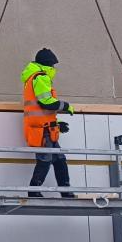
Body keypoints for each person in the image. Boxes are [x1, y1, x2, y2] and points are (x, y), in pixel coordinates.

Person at [21, 48, 76, 198]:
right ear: (48, 64)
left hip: (46, 128)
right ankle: (34, 191)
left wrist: (57, 124)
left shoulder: (34, 78)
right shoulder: (40, 77)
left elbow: (43, 111)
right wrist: (66, 106)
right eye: (53, 65)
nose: (54, 68)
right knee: (45, 161)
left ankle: (65, 191)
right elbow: (46, 103)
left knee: (59, 160)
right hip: (42, 130)